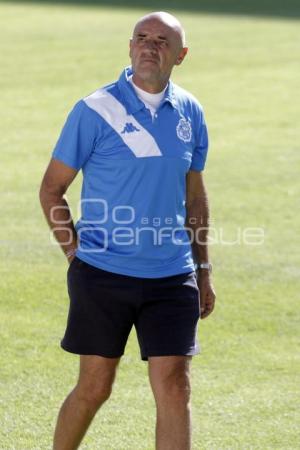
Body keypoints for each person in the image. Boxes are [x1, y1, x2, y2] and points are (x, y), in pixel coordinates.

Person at [39, 11, 216, 450]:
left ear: (181, 55)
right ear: (130, 45)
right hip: (102, 274)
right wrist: (74, 256)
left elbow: (195, 196)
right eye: (142, 37)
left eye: (161, 40)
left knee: (175, 386)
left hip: (172, 276)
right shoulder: (94, 110)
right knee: (95, 387)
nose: (149, 46)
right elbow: (51, 190)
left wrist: (204, 269)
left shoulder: (190, 111)